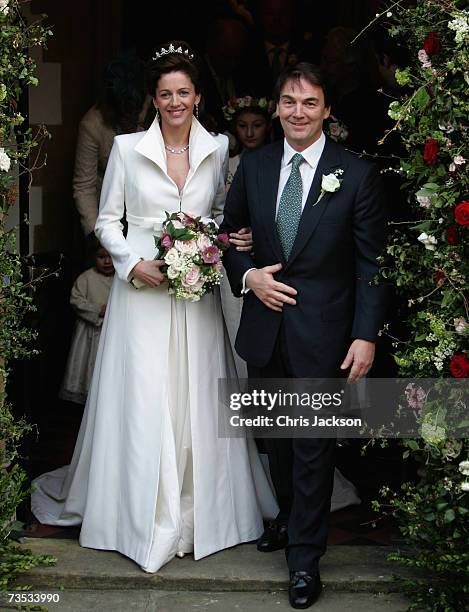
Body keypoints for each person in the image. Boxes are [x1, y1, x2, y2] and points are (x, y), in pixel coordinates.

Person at [31, 41, 277, 574]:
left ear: (197, 97)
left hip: (196, 293)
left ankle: (205, 509)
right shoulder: (125, 148)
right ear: (154, 99)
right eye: (165, 94)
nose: (175, 102)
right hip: (141, 290)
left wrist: (202, 250)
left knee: (195, 391)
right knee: (145, 393)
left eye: (183, 92)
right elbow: (106, 219)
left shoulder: (215, 147)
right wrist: (130, 264)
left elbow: (216, 213)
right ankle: (138, 515)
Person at [221, 63, 387, 608]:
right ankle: (288, 517)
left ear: (327, 111)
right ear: (276, 108)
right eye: (289, 102)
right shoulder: (254, 166)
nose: (297, 112)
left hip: (326, 331)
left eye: (309, 103)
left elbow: (371, 265)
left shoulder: (356, 174)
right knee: (277, 438)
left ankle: (304, 560)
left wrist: (365, 335)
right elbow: (232, 236)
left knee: (313, 445)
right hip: (266, 327)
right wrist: (248, 276)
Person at [73, 50, 150, 239]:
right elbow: (84, 186)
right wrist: (97, 236)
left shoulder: (154, 109)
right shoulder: (92, 125)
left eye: (135, 110)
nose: (131, 117)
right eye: (125, 112)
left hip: (148, 211)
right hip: (108, 212)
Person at [59, 241, 115, 404]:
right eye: (101, 257)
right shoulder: (86, 278)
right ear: (93, 257)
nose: (107, 261)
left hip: (113, 331)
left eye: (110, 257)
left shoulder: (121, 278)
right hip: (88, 332)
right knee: (86, 366)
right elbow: (76, 301)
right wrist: (98, 309)